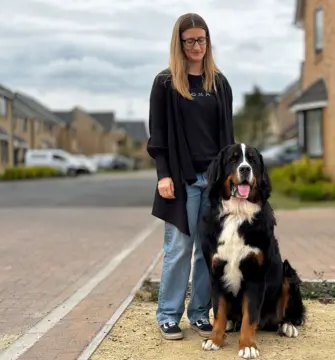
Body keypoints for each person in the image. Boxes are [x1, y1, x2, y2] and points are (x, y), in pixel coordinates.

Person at [146, 12, 235, 340]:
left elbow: (227, 136)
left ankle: (200, 313)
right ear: (179, 44)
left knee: (207, 250)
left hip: (213, 182)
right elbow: (157, 135)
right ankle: (168, 314)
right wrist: (163, 175)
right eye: (190, 41)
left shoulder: (219, 83)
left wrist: (229, 182)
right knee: (179, 247)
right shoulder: (166, 83)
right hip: (181, 180)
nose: (197, 46)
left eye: (201, 39)